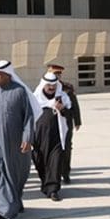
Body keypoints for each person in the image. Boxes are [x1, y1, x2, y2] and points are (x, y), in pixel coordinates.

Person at [0, 60, 35, 219]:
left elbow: (29, 118)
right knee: (1, 175)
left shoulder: (19, 92)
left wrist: (27, 139)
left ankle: (15, 203)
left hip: (17, 144)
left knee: (17, 175)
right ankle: (3, 211)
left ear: (7, 75)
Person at [32, 72, 72, 201]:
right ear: (43, 85)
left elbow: (69, 114)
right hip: (39, 137)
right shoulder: (35, 98)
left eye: (54, 85)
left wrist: (62, 109)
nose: (51, 88)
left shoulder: (63, 97)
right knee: (40, 162)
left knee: (55, 162)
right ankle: (45, 184)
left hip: (57, 137)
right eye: (49, 85)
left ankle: (53, 189)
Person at [47, 62, 82, 184]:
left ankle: (65, 173)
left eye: (58, 74)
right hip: (51, 124)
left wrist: (77, 121)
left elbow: (75, 106)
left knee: (66, 148)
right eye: (54, 74)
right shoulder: (45, 87)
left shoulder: (67, 88)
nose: (57, 76)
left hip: (66, 122)